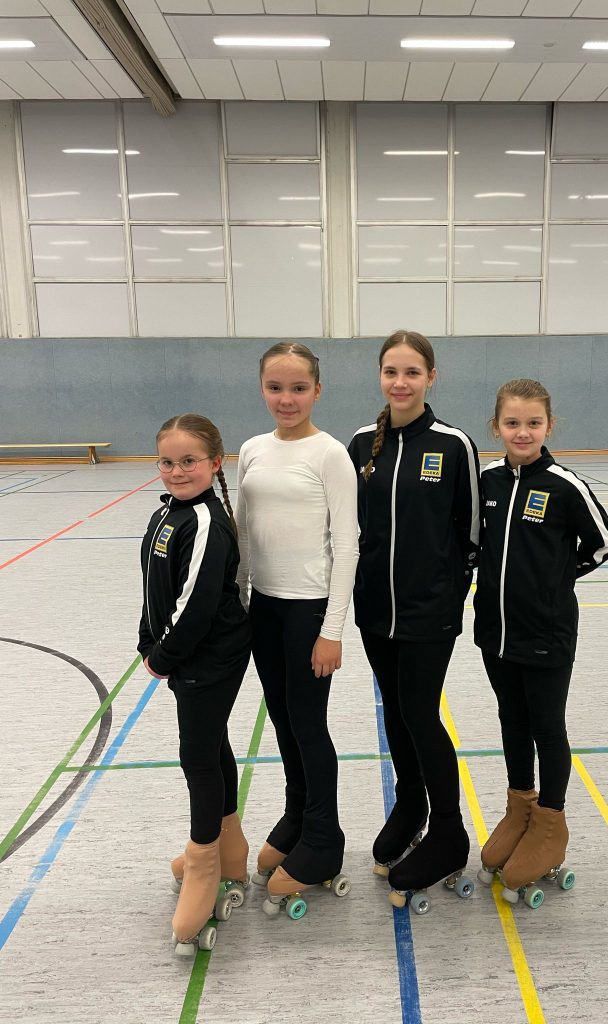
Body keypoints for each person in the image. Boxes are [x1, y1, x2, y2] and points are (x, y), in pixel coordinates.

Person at [348, 329, 481, 906]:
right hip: (375, 611)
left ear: (431, 377)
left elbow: (471, 534)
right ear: (380, 376)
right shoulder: (360, 444)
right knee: (396, 715)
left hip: (429, 614)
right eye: (390, 372)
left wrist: (447, 596)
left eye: (411, 372)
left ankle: (448, 832)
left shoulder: (453, 445)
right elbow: (350, 525)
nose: (400, 382)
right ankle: (411, 805)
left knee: (421, 714)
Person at [474, 379, 608, 900]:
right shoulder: (488, 481)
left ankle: (550, 822)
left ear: (549, 427)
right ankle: (521, 808)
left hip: (546, 633)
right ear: (496, 426)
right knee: (511, 719)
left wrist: (556, 580)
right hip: (495, 631)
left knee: (546, 726)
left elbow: (603, 543)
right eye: (512, 422)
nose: (523, 432)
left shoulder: (564, 485)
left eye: (533, 423)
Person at [235, 342, 358, 916]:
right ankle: (297, 815)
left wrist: (332, 630)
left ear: (317, 391)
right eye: (275, 387)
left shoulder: (330, 455)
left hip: (310, 610)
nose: (287, 399)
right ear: (262, 388)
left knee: (309, 724)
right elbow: (244, 531)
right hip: (265, 607)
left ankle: (324, 839)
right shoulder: (252, 450)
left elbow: (348, 546)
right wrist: (241, 602)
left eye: (299, 388)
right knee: (283, 720)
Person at [138, 414, 251, 953]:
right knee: (212, 744)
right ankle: (230, 848)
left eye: (189, 461)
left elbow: (197, 604)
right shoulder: (167, 514)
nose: (177, 471)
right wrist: (147, 639)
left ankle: (205, 862)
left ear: (215, 463)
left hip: (212, 657)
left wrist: (163, 656)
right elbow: (155, 586)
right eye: (167, 462)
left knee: (198, 758)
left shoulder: (206, 521)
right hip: (186, 658)